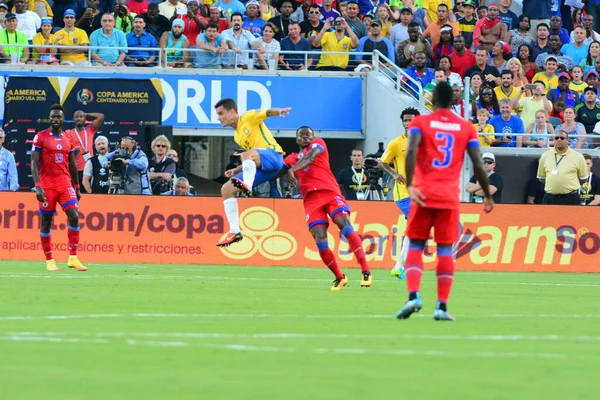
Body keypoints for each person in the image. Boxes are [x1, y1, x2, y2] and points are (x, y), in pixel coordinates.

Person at [396, 82, 494, 322]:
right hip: (448, 197)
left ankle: (413, 296)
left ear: (431, 100)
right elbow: (478, 163)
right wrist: (488, 195)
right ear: (454, 101)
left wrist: (410, 184)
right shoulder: (465, 127)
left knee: (416, 247)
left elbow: (410, 152)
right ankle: (441, 306)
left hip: (422, 194)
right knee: (444, 252)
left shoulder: (420, 123)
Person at [284, 126, 373, 289]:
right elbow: (273, 170)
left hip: (330, 192)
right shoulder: (291, 158)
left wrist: (292, 170)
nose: (305, 137)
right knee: (320, 239)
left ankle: (366, 270)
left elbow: (310, 158)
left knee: (344, 225)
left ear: (313, 137)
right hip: (311, 200)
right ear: (296, 139)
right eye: (301, 135)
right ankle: (339, 276)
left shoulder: (318, 144)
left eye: (308, 135)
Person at [213, 98, 290, 247]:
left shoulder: (248, 117)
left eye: (221, 113)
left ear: (232, 111)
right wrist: (237, 170)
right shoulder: (237, 136)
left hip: (274, 156)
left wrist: (279, 111)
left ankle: (246, 185)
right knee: (226, 189)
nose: (219, 117)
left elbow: (267, 112)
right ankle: (234, 232)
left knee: (244, 154)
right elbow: (252, 159)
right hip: (263, 167)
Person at [31, 104, 86, 272]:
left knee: (74, 216)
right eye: (53, 116)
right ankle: (49, 260)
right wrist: (38, 186)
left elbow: (72, 164)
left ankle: (73, 258)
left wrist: (76, 186)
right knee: (46, 222)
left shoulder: (68, 138)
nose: (56, 119)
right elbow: (34, 161)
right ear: (50, 118)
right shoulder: (40, 137)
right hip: (47, 185)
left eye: (59, 117)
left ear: (63, 119)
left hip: (64, 184)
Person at [377, 107, 421, 281]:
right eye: (405, 120)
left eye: (411, 120)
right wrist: (394, 174)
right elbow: (382, 163)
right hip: (403, 193)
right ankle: (400, 265)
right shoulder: (396, 143)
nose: (408, 123)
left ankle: (399, 266)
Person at [537, 130, 588, 205]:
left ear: (567, 140)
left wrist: (568, 186)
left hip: (570, 197)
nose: (559, 140)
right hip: (550, 198)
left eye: (562, 138)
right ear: (554, 140)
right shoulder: (545, 155)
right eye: (556, 138)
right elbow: (541, 178)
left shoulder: (578, 157)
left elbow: (583, 179)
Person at [65, 110, 105, 189]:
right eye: (77, 117)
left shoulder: (90, 129)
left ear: (85, 119)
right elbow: (65, 151)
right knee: (76, 195)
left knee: (90, 196)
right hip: (76, 170)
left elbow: (101, 116)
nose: (79, 118)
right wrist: (72, 151)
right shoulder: (68, 133)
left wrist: (86, 114)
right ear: (73, 119)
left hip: (90, 169)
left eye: (81, 117)